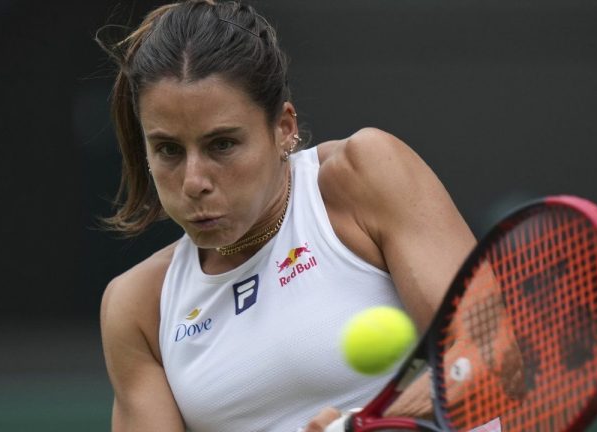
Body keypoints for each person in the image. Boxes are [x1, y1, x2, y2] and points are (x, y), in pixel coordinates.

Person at [96, 1, 476, 431]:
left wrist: (370, 424)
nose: (193, 181)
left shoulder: (364, 175)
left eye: (222, 144)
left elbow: (490, 352)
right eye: (168, 150)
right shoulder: (139, 306)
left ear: (283, 128)